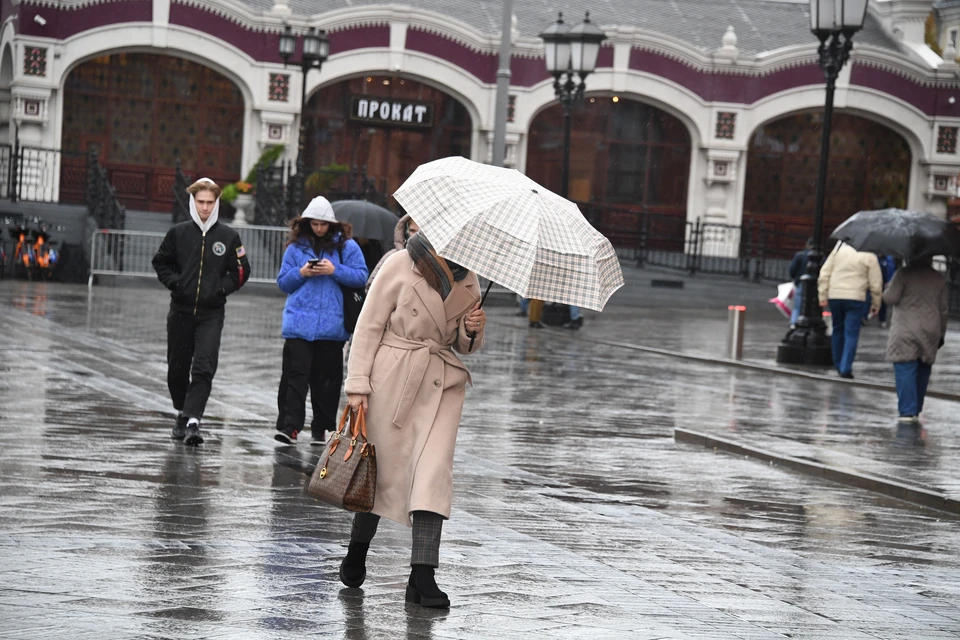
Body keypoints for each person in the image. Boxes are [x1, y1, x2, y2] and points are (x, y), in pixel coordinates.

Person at [339, 232, 486, 609]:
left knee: (432, 477)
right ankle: (358, 551)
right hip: (392, 379)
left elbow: (462, 345)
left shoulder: (470, 280)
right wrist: (357, 385)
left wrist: (472, 329)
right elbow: (369, 325)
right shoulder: (399, 263)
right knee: (379, 475)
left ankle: (423, 574)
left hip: (440, 386)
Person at [152, 178, 251, 445]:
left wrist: (221, 289)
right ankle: (182, 412)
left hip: (211, 314)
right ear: (193, 202)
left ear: (216, 203)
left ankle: (194, 421)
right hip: (181, 311)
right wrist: (176, 283)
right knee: (177, 369)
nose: (205, 207)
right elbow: (161, 262)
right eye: (201, 202)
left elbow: (242, 271)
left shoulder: (228, 236)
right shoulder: (178, 233)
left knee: (204, 367)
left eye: (210, 202)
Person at [275, 196, 368, 445]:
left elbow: (361, 276)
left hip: (332, 326)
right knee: (295, 377)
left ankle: (321, 428)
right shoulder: (295, 249)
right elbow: (283, 282)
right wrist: (302, 272)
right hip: (298, 325)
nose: (319, 229)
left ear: (331, 224)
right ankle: (289, 426)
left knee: (326, 381)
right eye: (314, 224)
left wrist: (334, 270)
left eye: (323, 224)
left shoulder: (346, 248)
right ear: (306, 224)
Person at [882, 257, 948, 423]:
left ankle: (907, 411)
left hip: (906, 327)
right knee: (923, 366)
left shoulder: (903, 274)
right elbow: (944, 309)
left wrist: (888, 287)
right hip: (931, 327)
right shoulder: (939, 278)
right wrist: (941, 333)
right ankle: (917, 407)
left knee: (905, 365)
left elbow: (890, 298)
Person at [817, 241, 882, 379]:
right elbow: (876, 283)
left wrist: (823, 295)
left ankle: (838, 362)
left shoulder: (838, 251)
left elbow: (824, 273)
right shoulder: (869, 255)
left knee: (837, 330)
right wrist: (876, 304)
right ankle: (845, 367)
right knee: (851, 333)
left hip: (835, 295)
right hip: (856, 297)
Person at [365, 212, 418, 292]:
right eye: (412, 230)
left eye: (420, 232)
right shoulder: (392, 256)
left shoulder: (436, 260)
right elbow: (371, 288)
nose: (415, 235)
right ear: (406, 231)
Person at [787, 238, 814, 327]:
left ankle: (794, 323)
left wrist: (795, 279)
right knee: (811, 306)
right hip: (814, 285)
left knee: (798, 306)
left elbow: (792, 269)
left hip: (801, 283)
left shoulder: (800, 255)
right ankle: (808, 323)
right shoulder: (820, 257)